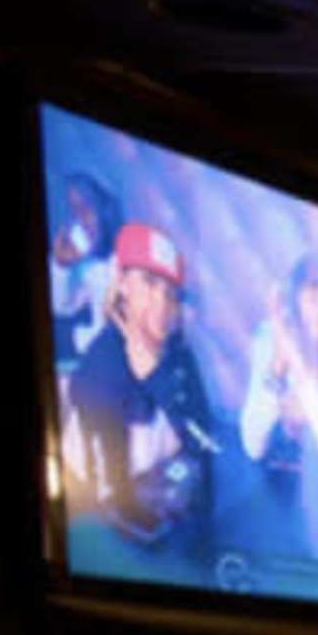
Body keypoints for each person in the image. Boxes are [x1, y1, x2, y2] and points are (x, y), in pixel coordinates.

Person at [56, 220, 223, 559]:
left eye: (170, 292)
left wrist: (157, 377)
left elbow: (208, 445)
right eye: (148, 283)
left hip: (163, 509)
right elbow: (112, 495)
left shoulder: (179, 357)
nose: (161, 304)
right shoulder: (100, 368)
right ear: (121, 285)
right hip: (98, 520)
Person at [239, 250, 318, 562]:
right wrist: (278, 369)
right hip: (276, 484)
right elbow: (252, 444)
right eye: (312, 298)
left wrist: (307, 391)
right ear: (292, 306)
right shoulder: (270, 340)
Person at [48, 172, 119, 372]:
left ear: (105, 208)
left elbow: (114, 336)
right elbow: (63, 307)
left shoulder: (125, 259)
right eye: (74, 210)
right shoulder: (91, 265)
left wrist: (74, 338)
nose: (81, 219)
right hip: (95, 356)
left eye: (86, 206)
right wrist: (59, 266)